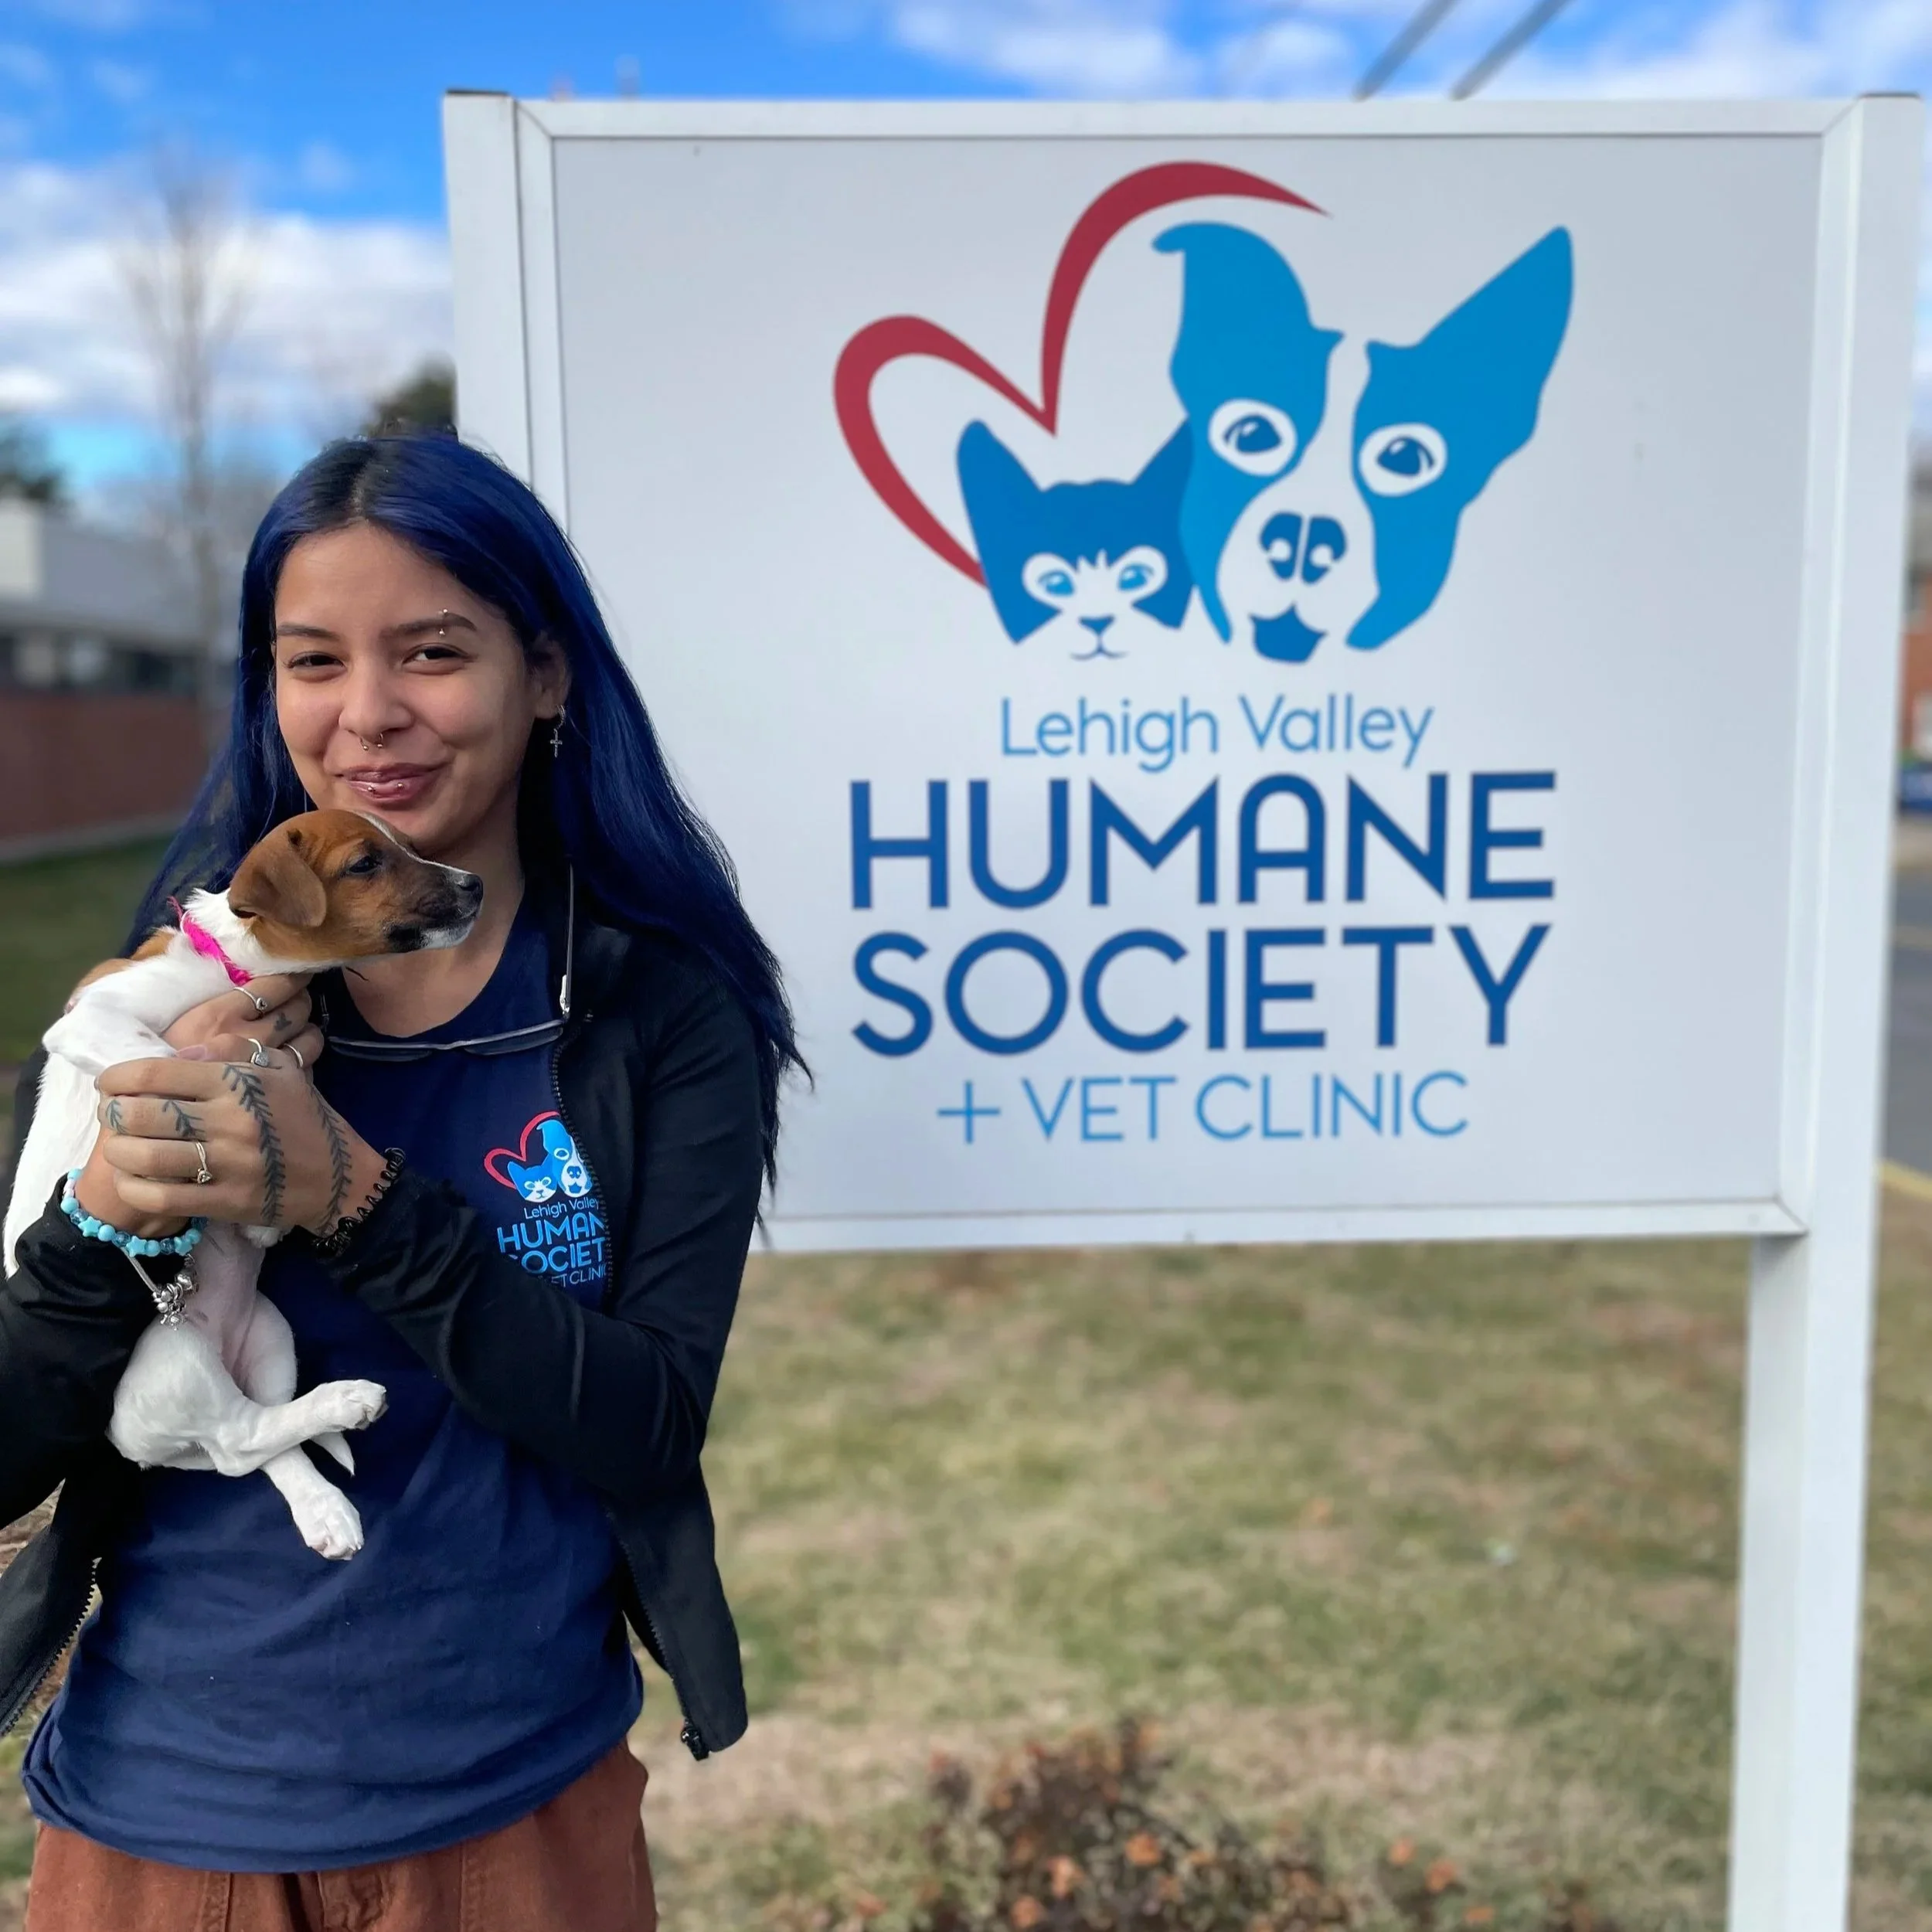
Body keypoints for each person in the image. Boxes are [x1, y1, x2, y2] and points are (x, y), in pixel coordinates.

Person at [0, 432, 801, 1932]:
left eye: (431, 649)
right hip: (165, 1810)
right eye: (313, 658)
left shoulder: (656, 1014)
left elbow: (645, 1426)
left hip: (511, 1803)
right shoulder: (153, 1015)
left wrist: (355, 1197)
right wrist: (108, 1216)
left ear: (544, 674)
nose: (367, 710)